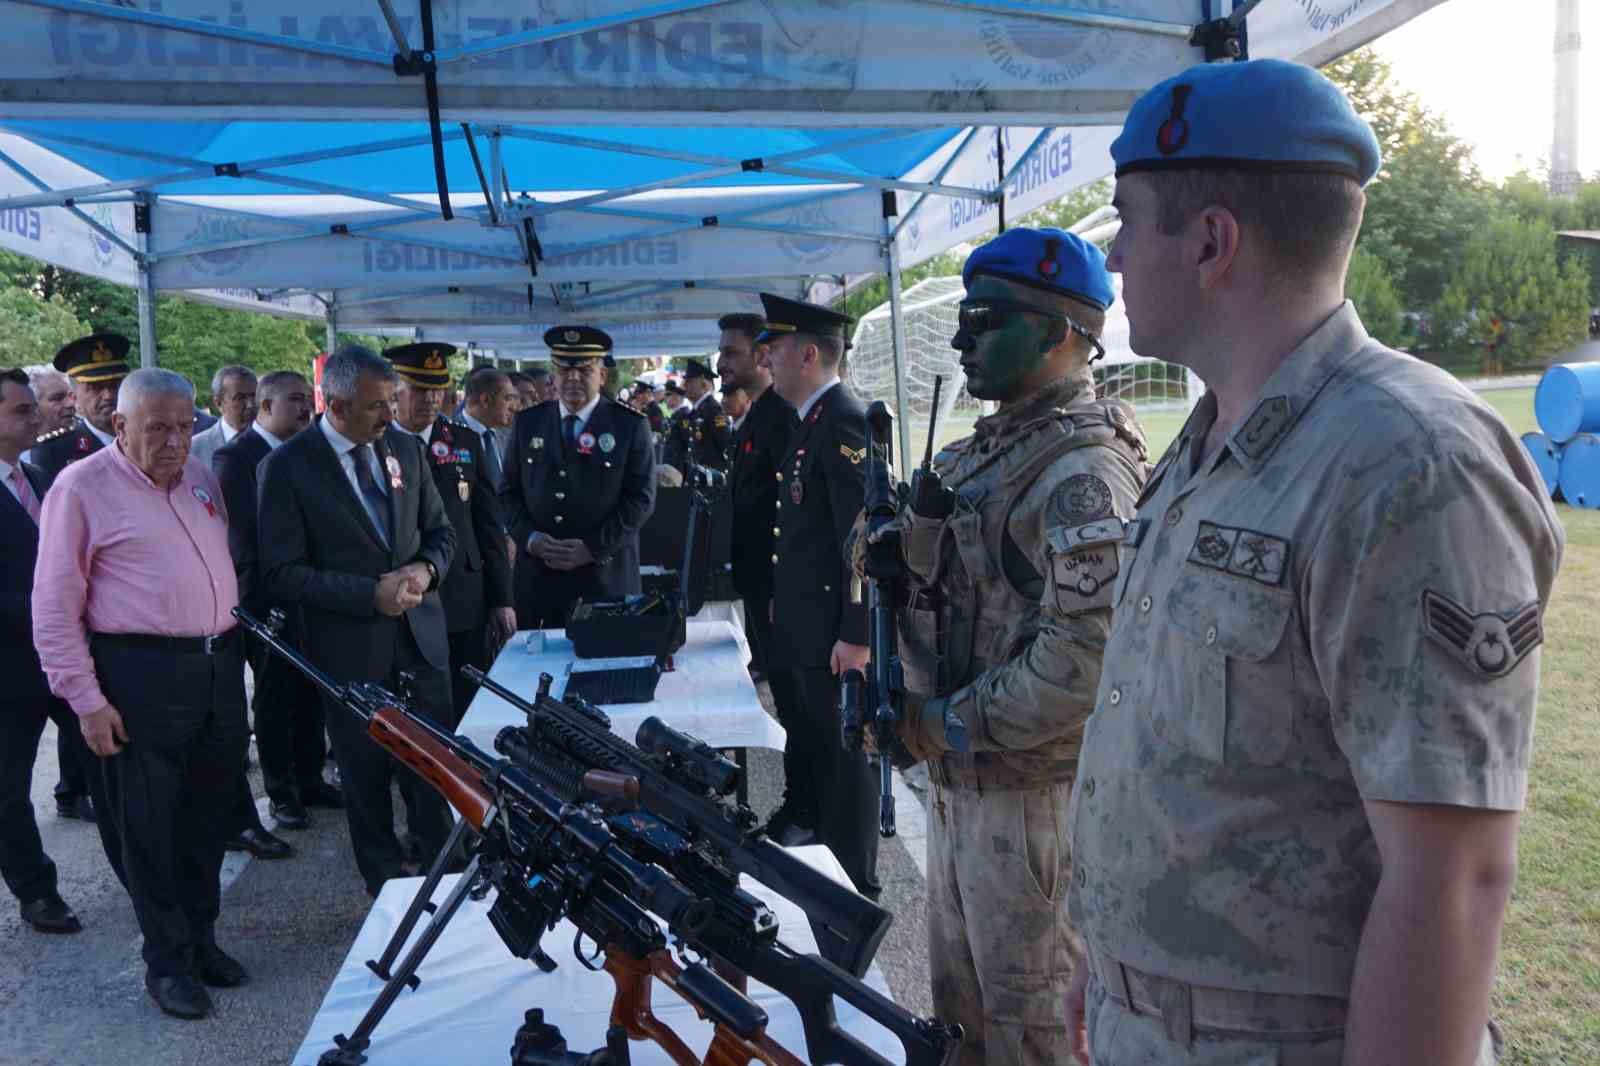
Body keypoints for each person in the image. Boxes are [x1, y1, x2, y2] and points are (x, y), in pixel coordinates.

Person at [1064, 60, 1564, 1066]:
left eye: (1125, 219)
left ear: (1210, 242)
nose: (1112, 256)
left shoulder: (1408, 462)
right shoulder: (1209, 446)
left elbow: (1450, 876)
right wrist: (1115, 961)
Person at [863, 228, 1149, 1066]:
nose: (960, 340)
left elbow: (1082, 669)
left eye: (984, 320)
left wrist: (936, 723)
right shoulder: (984, 448)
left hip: (1029, 806)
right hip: (964, 790)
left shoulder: (1081, 472)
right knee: (962, 1025)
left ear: (1060, 333)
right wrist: (887, 543)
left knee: (1034, 1036)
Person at [34, 368, 252, 1020]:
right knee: (149, 830)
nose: (176, 440)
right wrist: (86, 700)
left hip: (215, 670)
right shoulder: (81, 488)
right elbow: (53, 607)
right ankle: (167, 963)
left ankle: (202, 939)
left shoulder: (200, 479)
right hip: (137, 676)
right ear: (121, 426)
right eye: (158, 427)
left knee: (209, 818)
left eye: (186, 426)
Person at [258, 345, 458, 898]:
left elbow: (442, 534)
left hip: (420, 643)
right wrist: (369, 595)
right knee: (367, 781)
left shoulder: (405, 451)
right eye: (377, 406)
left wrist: (424, 570)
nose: (390, 415)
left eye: (392, 402)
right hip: (350, 654)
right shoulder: (287, 468)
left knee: (436, 771)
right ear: (337, 406)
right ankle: (387, 889)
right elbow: (281, 573)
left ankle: (445, 874)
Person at [757, 293, 878, 895]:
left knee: (845, 763)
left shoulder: (844, 420)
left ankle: (856, 886)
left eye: (773, 349)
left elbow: (862, 540)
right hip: (808, 626)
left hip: (835, 632)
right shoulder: (812, 422)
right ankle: (830, 871)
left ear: (808, 353)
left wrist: (856, 635)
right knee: (821, 751)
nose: (765, 360)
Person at [212, 371, 339, 832]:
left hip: (310, 594)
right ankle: (281, 791)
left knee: (309, 692)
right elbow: (245, 540)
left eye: (310, 399)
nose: (308, 409)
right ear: (266, 407)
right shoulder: (236, 457)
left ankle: (309, 779)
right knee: (274, 698)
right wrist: (271, 600)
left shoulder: (307, 451)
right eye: (296, 400)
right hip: (268, 600)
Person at [0, 369, 100, 935]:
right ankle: (37, 891)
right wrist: (45, 608)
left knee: (106, 763)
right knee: (8, 793)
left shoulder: (39, 477)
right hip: (8, 671)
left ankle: (144, 873)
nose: (34, 416)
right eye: (19, 410)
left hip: (64, 659)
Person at [387, 343, 516, 726]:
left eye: (437, 389)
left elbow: (488, 525)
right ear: (395, 390)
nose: (430, 399)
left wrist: (502, 599)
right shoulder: (376, 444)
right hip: (405, 597)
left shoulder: (464, 442)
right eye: (418, 389)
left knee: (466, 701)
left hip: (463, 595)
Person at [31, 334, 132, 823]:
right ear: (76, 394)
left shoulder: (145, 438)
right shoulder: (55, 456)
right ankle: (78, 789)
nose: (107, 394)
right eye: (95, 387)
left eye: (114, 382)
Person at [500, 327, 655, 630]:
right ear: (553, 376)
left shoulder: (629, 426)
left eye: (584, 370)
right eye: (564, 370)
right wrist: (530, 540)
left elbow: (641, 500)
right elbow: (508, 493)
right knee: (535, 674)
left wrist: (592, 547)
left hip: (604, 579)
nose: (572, 378)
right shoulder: (528, 422)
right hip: (538, 582)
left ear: (602, 376)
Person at [717, 313, 793, 694]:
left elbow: (795, 512)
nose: (720, 364)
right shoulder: (758, 416)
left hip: (782, 588)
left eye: (731, 353)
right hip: (759, 584)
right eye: (720, 353)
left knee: (805, 707)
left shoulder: (784, 417)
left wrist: (785, 589)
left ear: (762, 354)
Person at [458, 365, 518, 494]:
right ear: (485, 400)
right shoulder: (447, 435)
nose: (513, 407)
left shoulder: (509, 437)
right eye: (507, 398)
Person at [189, 366, 258, 470]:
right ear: (218, 403)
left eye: (254, 396)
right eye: (240, 398)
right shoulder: (194, 449)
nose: (250, 404)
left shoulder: (274, 443)